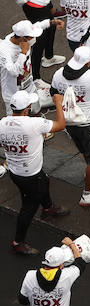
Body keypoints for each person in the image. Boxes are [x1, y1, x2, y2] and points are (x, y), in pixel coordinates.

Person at [3, 88, 69, 255]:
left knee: (44, 181)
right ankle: (18, 242)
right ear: (27, 109)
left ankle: (48, 207)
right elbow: (61, 125)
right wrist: (59, 103)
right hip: (30, 174)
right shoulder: (34, 123)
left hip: (16, 171)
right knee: (28, 208)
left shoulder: (3, 123)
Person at [49, 45, 90, 207]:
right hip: (88, 123)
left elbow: (53, 91)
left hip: (69, 121)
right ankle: (88, 194)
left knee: (85, 149)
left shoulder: (59, 73)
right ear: (88, 63)